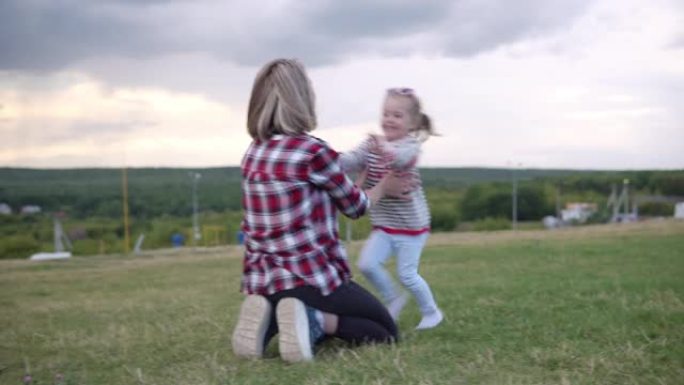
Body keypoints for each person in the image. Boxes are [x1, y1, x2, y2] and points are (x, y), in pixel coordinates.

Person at [231, 59, 412, 363]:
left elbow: (328, 169)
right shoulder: (313, 151)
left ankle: (268, 322)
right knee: (384, 329)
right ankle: (316, 320)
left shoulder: (254, 153)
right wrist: (384, 186)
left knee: (287, 301)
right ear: (302, 99)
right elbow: (356, 206)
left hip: (264, 278)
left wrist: (363, 161)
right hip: (310, 279)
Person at [339, 87, 443, 330]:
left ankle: (432, 312)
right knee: (367, 264)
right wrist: (326, 159)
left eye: (397, 115)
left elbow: (400, 160)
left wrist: (380, 148)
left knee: (407, 274)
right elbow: (351, 160)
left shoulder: (410, 146)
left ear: (412, 123)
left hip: (411, 227)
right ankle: (393, 298)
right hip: (384, 225)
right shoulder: (372, 144)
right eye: (386, 114)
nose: (389, 119)